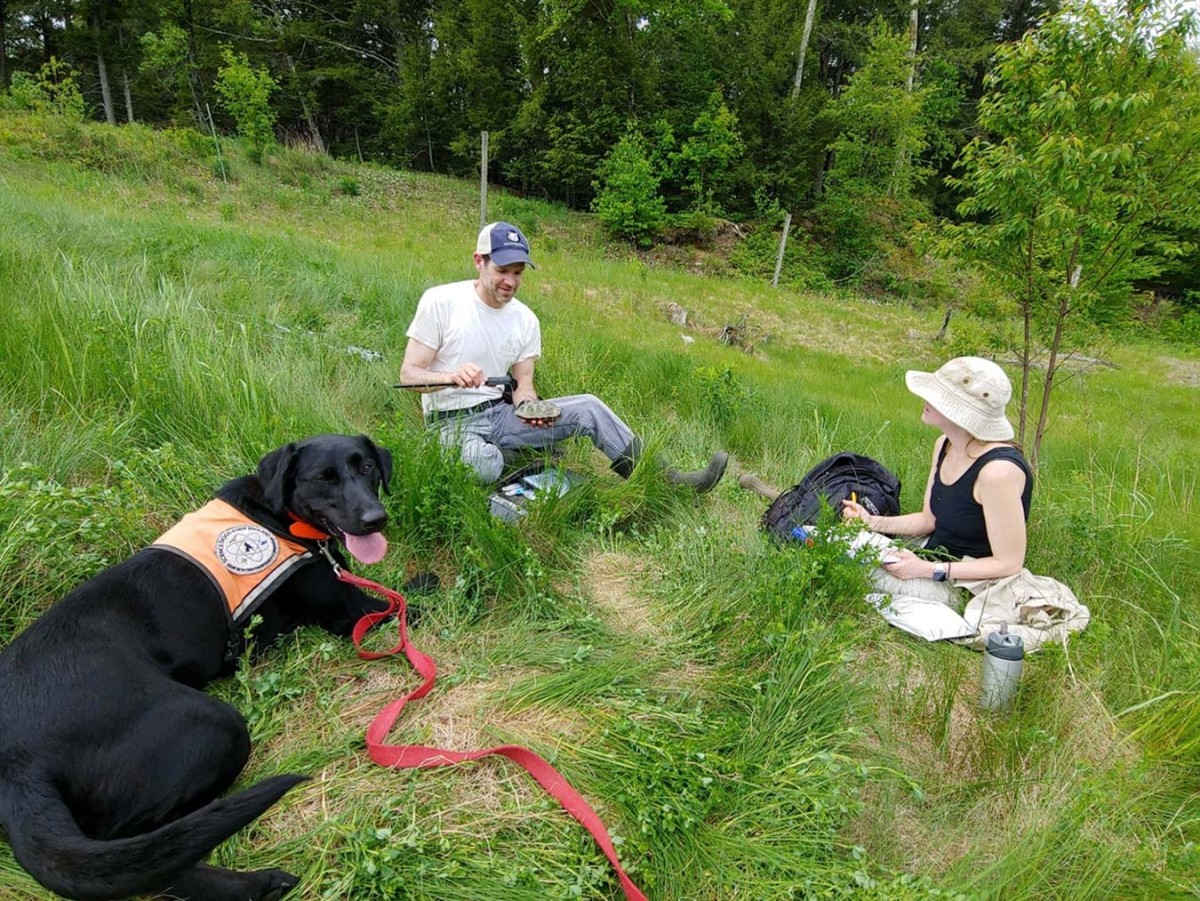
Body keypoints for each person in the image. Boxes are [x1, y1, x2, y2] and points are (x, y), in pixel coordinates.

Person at [399, 221, 729, 492]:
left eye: (518, 273)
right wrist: (450, 376)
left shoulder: (525, 319)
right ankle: (521, 457)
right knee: (481, 467)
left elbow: (523, 384)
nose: (510, 282)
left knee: (589, 407)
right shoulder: (441, 301)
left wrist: (529, 408)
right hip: (451, 425)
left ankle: (666, 481)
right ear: (478, 261)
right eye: (502, 270)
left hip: (500, 416)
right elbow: (409, 375)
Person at [841, 356, 1032, 583]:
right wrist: (872, 522)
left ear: (960, 412)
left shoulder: (997, 472)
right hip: (929, 555)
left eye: (938, 396)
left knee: (851, 577)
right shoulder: (945, 444)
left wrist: (926, 569)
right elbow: (928, 520)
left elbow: (1009, 563)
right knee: (839, 548)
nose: (924, 399)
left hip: (967, 580)